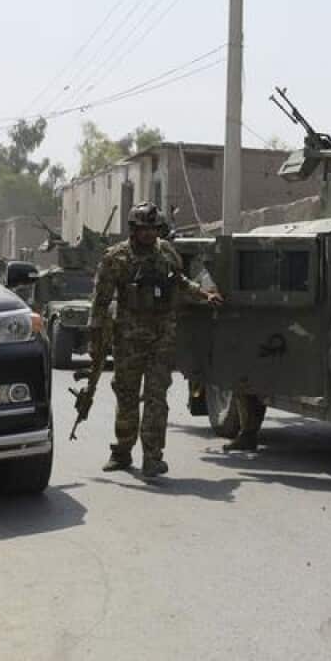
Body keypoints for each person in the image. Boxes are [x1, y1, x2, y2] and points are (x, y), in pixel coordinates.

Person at [90, 202, 222, 477]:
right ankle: (123, 452)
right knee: (126, 396)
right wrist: (95, 339)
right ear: (133, 229)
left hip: (162, 337)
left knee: (156, 398)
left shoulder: (167, 253)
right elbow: (100, 302)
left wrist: (203, 294)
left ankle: (152, 457)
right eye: (144, 229)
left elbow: (180, 281)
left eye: (153, 228)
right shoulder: (116, 258)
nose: (149, 234)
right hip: (127, 339)